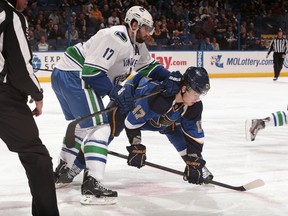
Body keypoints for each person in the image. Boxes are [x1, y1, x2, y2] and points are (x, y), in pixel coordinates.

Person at [51, 6, 182, 205]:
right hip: (75, 76)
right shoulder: (116, 37)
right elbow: (91, 72)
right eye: (146, 28)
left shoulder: (136, 44)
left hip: (66, 74)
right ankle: (92, 184)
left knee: (83, 126)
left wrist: (170, 76)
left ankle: (61, 171)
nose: (148, 33)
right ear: (134, 24)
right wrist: (116, 92)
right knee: (102, 127)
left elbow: (148, 67)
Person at [0, 0, 59, 215]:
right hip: (4, 98)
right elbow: (20, 63)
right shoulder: (11, 15)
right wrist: (37, 94)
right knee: (37, 156)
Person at [108, 66, 213, 185]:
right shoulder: (160, 100)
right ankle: (88, 166)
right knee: (107, 131)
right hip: (128, 104)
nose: (197, 98)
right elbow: (132, 122)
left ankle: (200, 168)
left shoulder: (194, 106)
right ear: (184, 88)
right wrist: (136, 146)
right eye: (195, 93)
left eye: (200, 94)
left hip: (160, 118)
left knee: (176, 131)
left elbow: (194, 134)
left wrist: (194, 161)